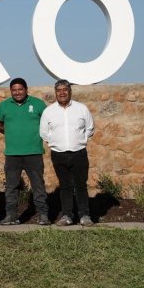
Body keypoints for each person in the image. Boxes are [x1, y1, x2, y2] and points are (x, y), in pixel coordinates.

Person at [40, 79, 95, 227]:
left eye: (65, 90)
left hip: (79, 153)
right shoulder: (49, 111)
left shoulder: (81, 109)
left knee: (81, 185)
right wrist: (55, 143)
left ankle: (84, 215)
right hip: (59, 154)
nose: (62, 93)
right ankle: (67, 216)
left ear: (70, 91)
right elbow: (44, 133)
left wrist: (82, 140)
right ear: (55, 93)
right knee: (65, 186)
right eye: (59, 91)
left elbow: (90, 128)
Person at [0, 78, 50, 226]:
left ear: (26, 90)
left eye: (20, 89)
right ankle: (11, 215)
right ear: (10, 91)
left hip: (34, 152)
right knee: (11, 187)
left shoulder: (38, 104)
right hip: (12, 154)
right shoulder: (4, 105)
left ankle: (43, 215)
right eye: (14, 90)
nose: (17, 92)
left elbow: (48, 123)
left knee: (38, 185)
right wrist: (12, 133)